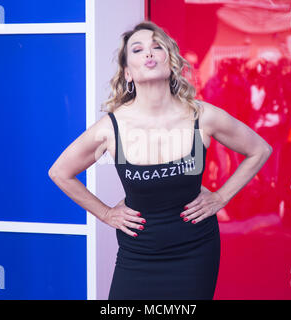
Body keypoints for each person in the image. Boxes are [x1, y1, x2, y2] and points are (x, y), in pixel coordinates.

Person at [48, 20, 272, 300]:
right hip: (138, 256)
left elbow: (259, 149)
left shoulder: (202, 116)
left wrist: (221, 197)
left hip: (195, 252)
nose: (149, 53)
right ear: (127, 72)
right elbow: (60, 172)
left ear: (171, 62)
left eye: (157, 47)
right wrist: (105, 213)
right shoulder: (111, 127)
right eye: (138, 49)